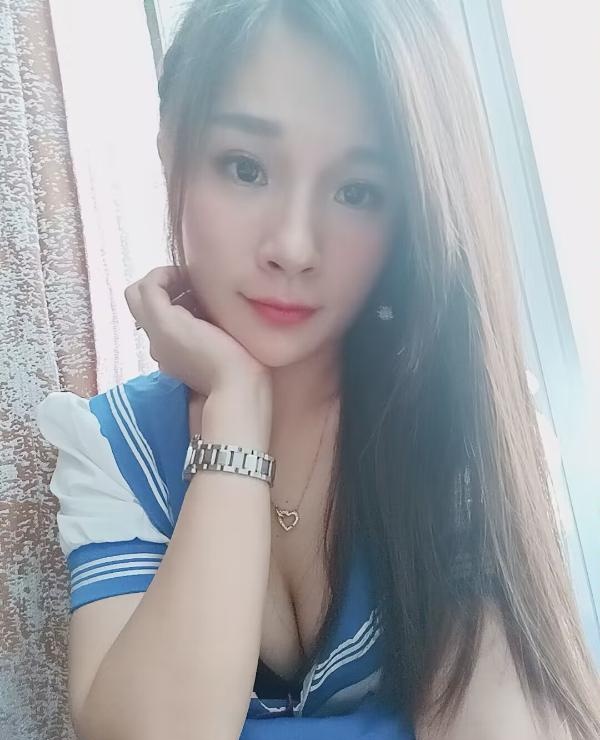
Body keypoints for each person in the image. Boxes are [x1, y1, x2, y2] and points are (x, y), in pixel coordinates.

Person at [34, 1, 600, 738]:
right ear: (171, 150)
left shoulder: (454, 421)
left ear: (410, 214)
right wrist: (237, 406)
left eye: (356, 191)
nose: (294, 247)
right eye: (246, 168)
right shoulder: (113, 450)